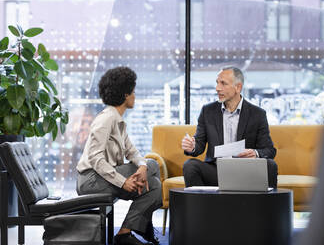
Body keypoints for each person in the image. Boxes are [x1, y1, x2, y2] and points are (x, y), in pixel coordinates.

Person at [76, 67, 162, 245]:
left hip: (102, 178)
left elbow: (132, 151)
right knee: (153, 166)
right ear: (125, 95)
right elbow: (95, 159)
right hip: (90, 180)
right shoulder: (106, 119)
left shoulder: (118, 121)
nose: (135, 95)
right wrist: (123, 181)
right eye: (133, 92)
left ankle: (124, 233)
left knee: (154, 185)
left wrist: (143, 166)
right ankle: (141, 225)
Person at [182, 66, 278, 188]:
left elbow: (269, 150)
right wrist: (192, 147)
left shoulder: (257, 114)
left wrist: (255, 153)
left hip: (246, 170)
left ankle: (265, 207)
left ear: (238, 87)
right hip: (216, 170)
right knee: (190, 166)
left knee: (270, 165)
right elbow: (199, 144)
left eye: (223, 83)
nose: (217, 88)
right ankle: (202, 207)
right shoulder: (208, 111)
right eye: (217, 83)